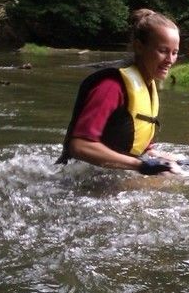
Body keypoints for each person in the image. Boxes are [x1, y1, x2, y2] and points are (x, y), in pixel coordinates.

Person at [56, 9, 182, 175]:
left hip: (114, 174)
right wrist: (140, 166)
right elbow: (80, 146)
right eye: (163, 51)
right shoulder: (111, 87)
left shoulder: (147, 85)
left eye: (174, 53)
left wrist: (173, 161)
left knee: (186, 175)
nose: (170, 60)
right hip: (80, 180)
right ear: (139, 47)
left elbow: (139, 147)